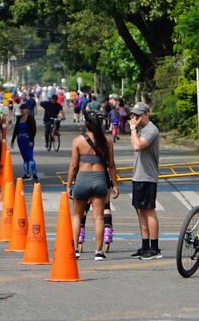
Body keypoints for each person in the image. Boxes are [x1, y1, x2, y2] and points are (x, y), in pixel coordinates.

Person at [68, 101, 119, 260]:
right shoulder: (107, 141)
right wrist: (115, 185)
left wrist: (69, 184)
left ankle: (75, 249)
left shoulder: (77, 141)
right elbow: (111, 165)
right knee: (99, 217)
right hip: (99, 180)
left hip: (82, 179)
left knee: (77, 215)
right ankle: (98, 252)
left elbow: (73, 165)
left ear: (87, 124)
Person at [128, 102, 161, 259]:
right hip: (138, 176)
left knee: (149, 210)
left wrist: (133, 129)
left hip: (148, 176)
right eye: (134, 115)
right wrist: (135, 129)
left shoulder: (151, 130)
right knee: (140, 210)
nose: (135, 118)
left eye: (139, 115)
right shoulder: (141, 130)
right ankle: (145, 245)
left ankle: (154, 248)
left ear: (147, 115)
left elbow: (137, 146)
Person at [14, 101, 38, 181]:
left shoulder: (31, 118)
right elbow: (15, 129)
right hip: (20, 140)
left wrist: (31, 140)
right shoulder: (18, 118)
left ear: (27, 110)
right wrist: (12, 140)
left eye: (24, 109)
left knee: (30, 157)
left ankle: (34, 174)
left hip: (28, 140)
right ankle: (27, 174)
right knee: (25, 158)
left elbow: (34, 130)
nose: (22, 110)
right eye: (21, 109)